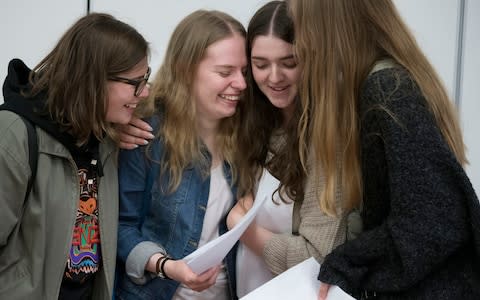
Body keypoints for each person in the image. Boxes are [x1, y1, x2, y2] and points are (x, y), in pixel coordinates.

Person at [285, 0, 480, 299]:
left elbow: (433, 222)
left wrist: (348, 263)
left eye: (302, 27)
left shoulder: (388, 91)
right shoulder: (391, 81)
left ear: (326, 26)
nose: (301, 43)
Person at [0, 13, 149, 300]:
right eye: (136, 82)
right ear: (94, 80)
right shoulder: (13, 135)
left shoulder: (102, 136)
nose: (144, 92)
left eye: (146, 78)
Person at [225, 1, 362, 297]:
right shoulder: (250, 120)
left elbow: (319, 259)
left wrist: (245, 232)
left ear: (312, 59)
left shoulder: (326, 137)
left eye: (289, 63)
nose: (274, 78)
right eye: (261, 65)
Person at [114, 10, 247, 300]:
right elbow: (120, 228)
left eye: (244, 71)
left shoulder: (247, 132)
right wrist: (167, 266)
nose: (241, 84)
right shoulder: (145, 133)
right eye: (225, 72)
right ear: (186, 70)